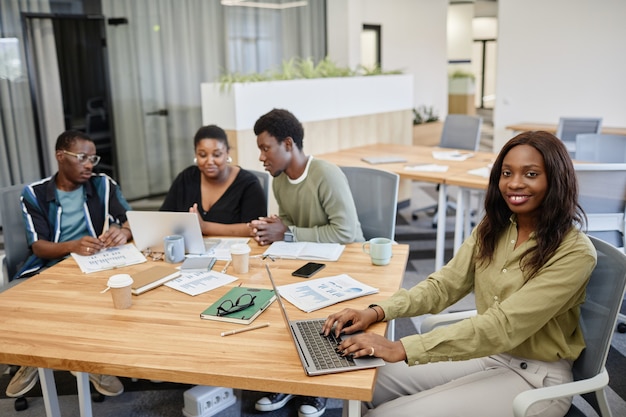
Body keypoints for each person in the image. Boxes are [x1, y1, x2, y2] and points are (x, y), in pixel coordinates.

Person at [321, 131, 597, 417]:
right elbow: (444, 286)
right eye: (506, 172)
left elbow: (502, 326)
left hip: (536, 379)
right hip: (489, 354)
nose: (515, 183)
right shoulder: (495, 227)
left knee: (383, 414)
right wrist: (378, 311)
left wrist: (401, 347)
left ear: (556, 179)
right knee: (362, 380)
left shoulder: (574, 253)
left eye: (531, 174)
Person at [249, 108, 364, 417]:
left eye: (265, 148)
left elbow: (346, 233)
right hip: (306, 259)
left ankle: (318, 388)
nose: (261, 157)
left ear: (288, 144)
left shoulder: (325, 174)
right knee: (271, 295)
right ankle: (288, 379)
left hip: (346, 261)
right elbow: (289, 227)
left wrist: (288, 231)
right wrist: (273, 230)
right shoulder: (279, 182)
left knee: (315, 312)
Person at [7, 130, 131, 399]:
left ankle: (92, 363)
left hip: (97, 264)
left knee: (108, 299)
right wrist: (72, 246)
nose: (89, 164)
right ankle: (32, 358)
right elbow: (38, 246)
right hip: (49, 266)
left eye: (93, 158)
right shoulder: (35, 194)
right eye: (82, 157)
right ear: (60, 156)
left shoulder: (103, 185)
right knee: (15, 301)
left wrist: (124, 232)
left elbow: (129, 219)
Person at [160, 124, 266, 236]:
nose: (210, 161)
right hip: (189, 250)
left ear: (227, 153)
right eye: (202, 155)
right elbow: (163, 217)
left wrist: (204, 226)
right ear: (196, 154)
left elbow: (254, 228)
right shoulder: (186, 178)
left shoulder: (249, 184)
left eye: (217, 155)